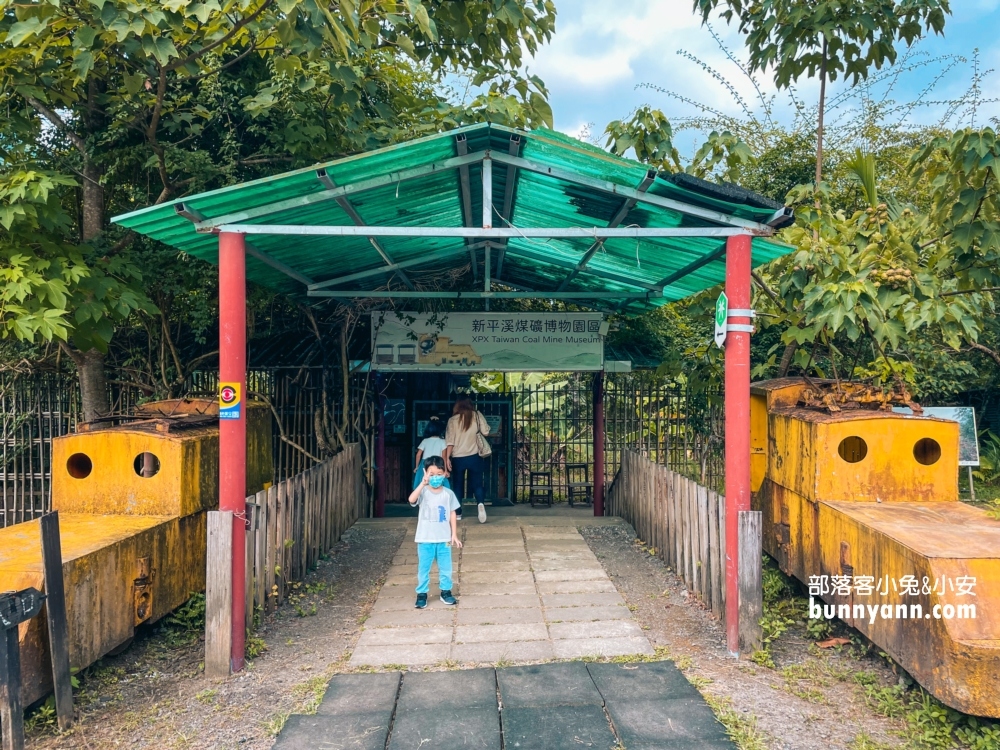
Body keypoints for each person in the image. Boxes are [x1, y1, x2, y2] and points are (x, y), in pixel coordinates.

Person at [407, 456, 462, 608]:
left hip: (444, 539)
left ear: (445, 473)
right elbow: (411, 499)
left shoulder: (448, 493)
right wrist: (422, 484)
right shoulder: (423, 492)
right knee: (423, 568)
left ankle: (446, 592)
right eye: (432, 474)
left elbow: (452, 513)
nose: (436, 477)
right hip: (425, 539)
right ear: (425, 473)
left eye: (439, 474)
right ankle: (422, 594)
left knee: (446, 567)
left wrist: (454, 535)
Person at [444, 397, 489, 524]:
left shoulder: (452, 420)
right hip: (475, 456)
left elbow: (450, 442)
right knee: (477, 483)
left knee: (457, 485)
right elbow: (485, 432)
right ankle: (480, 504)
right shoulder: (477, 415)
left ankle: (458, 512)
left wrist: (447, 458)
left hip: (458, 457)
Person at [413, 418, 449, 491]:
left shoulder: (425, 441)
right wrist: (445, 470)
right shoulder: (442, 441)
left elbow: (418, 455)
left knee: (422, 482)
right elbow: (444, 457)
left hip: (425, 463)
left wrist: (417, 467)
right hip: (438, 463)